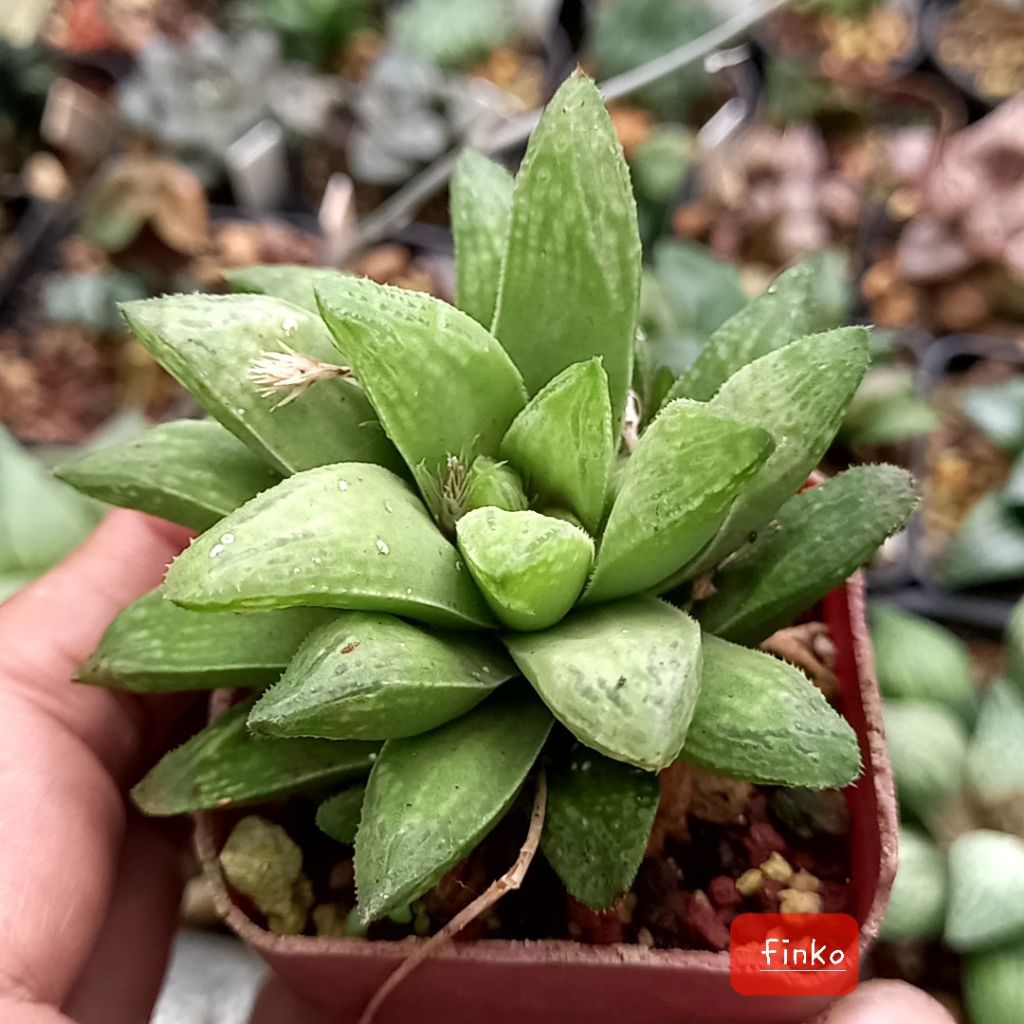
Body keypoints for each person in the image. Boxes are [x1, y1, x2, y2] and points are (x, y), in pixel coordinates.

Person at [0, 510, 956, 1024]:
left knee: (809, 949)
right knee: (805, 949)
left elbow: (825, 950)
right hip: (454, 721)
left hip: (651, 724)